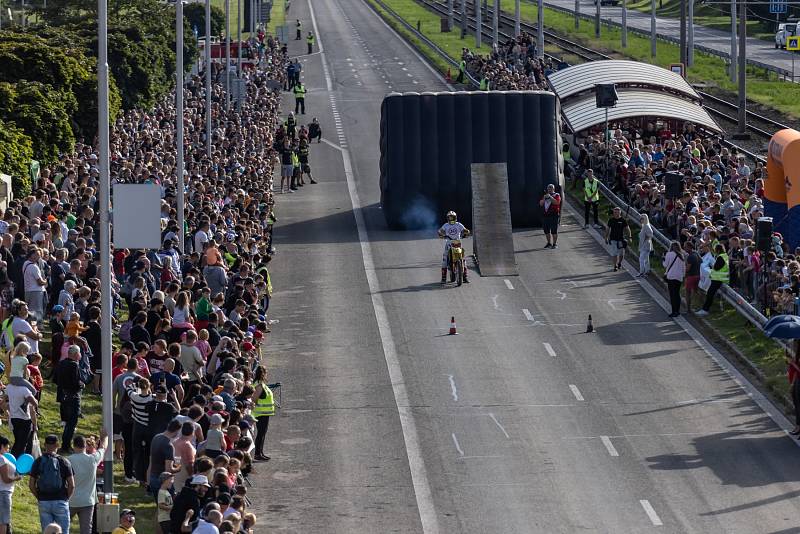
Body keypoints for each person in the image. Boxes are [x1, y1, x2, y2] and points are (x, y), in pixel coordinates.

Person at [29, 434, 75, 534]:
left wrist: (39, 497)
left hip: (44, 501)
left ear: (44, 445)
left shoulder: (38, 461)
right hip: (61, 500)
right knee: (63, 532)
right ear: (57, 445)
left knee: (47, 532)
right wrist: (66, 498)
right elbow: (72, 485)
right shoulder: (64, 461)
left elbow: (31, 485)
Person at [68, 431, 107, 534]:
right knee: (86, 530)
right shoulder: (92, 459)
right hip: (88, 501)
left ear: (73, 445)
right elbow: (102, 449)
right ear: (85, 445)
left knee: (63, 526)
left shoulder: (67, 460)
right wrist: (103, 438)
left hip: (71, 500)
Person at [54, 345, 84, 451]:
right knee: (72, 422)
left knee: (66, 421)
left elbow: (55, 379)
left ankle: (65, 443)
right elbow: (75, 382)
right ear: (76, 354)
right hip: (72, 396)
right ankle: (66, 445)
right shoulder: (74, 365)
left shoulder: (61, 363)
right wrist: (81, 384)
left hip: (63, 395)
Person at [7, 376, 38, 457]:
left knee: (17, 441)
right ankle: (17, 462)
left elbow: (5, 401)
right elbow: (35, 404)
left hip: (14, 418)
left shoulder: (9, 387)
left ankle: (12, 458)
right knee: (22, 444)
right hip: (24, 419)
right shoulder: (25, 390)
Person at [437, 211, 471, 284]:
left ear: (455, 217)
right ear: (447, 218)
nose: (451, 219)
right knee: (445, 259)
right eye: (449, 217)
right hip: (449, 242)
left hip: (458, 242)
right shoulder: (446, 225)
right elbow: (441, 230)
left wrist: (467, 232)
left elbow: (464, 230)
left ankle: (465, 277)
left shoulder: (458, 225)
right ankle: (443, 278)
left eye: (452, 217)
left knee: (463, 259)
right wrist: (440, 233)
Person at [696, 243, 729, 316]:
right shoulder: (725, 256)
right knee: (710, 293)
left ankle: (705, 310)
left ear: (718, 250)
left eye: (715, 250)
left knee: (710, 294)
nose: (714, 251)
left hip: (718, 279)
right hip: (720, 279)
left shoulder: (720, 257)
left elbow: (716, 267)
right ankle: (706, 309)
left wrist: (712, 267)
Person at [0, 436, 22, 534]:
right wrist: (17, 478)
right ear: (2, 446)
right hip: (3, 493)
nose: (8, 450)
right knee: (3, 522)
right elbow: (6, 479)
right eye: (7, 447)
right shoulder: (2, 459)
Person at [663, 241, 686, 318]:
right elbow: (683, 268)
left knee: (672, 294)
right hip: (679, 277)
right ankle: (678, 311)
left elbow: (665, 265)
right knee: (677, 293)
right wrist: (683, 276)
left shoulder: (669, 254)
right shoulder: (681, 255)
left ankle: (674, 311)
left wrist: (663, 259)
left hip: (671, 276)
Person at [604, 207, 631, 272]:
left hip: (621, 239)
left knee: (621, 254)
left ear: (620, 213)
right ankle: (615, 266)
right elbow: (607, 229)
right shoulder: (611, 220)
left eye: (617, 212)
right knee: (614, 253)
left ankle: (619, 263)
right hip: (613, 239)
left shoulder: (623, 220)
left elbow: (628, 229)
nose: (616, 214)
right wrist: (606, 237)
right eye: (615, 212)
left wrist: (630, 237)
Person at [539, 184, 561, 249]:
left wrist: (550, 197)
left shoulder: (557, 195)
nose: (550, 189)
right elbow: (540, 204)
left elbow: (557, 202)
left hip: (554, 215)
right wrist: (544, 199)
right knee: (546, 230)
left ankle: (554, 244)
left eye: (551, 188)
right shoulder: (545, 196)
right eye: (549, 188)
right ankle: (549, 243)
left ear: (553, 189)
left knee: (554, 230)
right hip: (546, 215)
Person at [684, 242, 701, 313]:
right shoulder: (696, 253)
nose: (684, 248)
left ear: (690, 247)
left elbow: (687, 269)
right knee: (696, 291)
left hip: (691, 276)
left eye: (685, 247)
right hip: (698, 275)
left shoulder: (690, 256)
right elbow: (701, 261)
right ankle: (701, 305)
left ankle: (688, 309)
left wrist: (682, 271)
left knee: (688, 292)